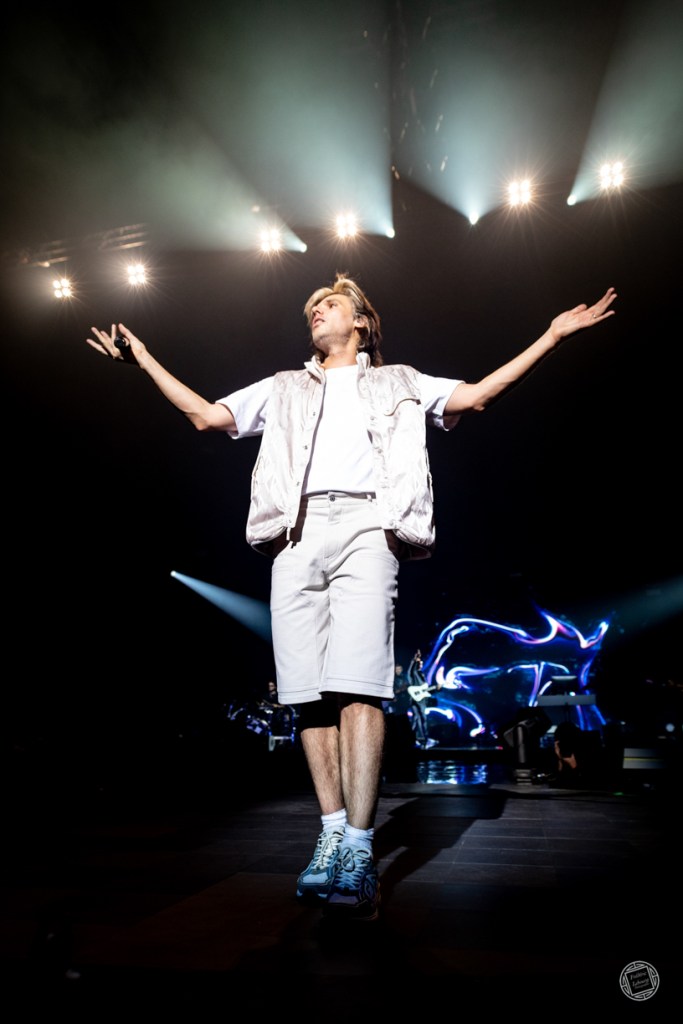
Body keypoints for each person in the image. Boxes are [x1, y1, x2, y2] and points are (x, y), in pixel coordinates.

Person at [86, 274, 617, 920]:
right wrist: (144, 359)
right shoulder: (283, 386)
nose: (316, 311)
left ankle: (361, 850)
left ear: (360, 322)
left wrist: (552, 337)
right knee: (307, 694)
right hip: (294, 534)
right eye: (312, 307)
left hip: (369, 527)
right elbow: (205, 415)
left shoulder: (400, 381)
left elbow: (477, 396)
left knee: (358, 686)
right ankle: (332, 832)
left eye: (329, 304)